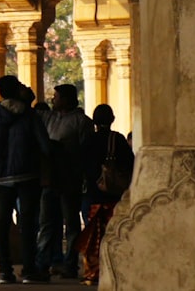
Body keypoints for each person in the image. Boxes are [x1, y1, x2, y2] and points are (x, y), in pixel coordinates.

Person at [0, 75, 51, 285]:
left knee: (2, 223)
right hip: (28, 174)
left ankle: (5, 270)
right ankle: (29, 269)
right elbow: (44, 145)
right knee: (29, 222)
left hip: (3, 176)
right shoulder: (30, 115)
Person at [37, 83, 94, 279]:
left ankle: (70, 264)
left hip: (70, 179)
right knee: (47, 224)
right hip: (50, 179)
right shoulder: (49, 118)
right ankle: (46, 262)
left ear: (67, 100)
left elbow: (86, 151)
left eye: (57, 97)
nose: (53, 99)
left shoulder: (81, 121)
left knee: (70, 225)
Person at [76, 104, 134, 286]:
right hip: (113, 196)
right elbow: (130, 165)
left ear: (93, 120)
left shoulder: (88, 140)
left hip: (92, 195)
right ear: (113, 119)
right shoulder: (117, 139)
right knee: (114, 234)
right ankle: (115, 270)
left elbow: (80, 166)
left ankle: (92, 272)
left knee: (93, 236)